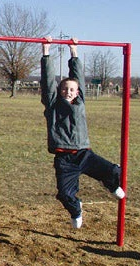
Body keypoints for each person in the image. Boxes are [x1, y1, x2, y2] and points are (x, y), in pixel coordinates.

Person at [41, 37, 125, 228]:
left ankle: (111, 185)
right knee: (64, 194)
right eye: (64, 89)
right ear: (59, 90)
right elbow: (47, 82)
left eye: (71, 89)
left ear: (77, 92)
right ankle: (76, 209)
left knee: (114, 170)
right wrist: (46, 52)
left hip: (84, 154)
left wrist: (74, 53)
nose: (68, 92)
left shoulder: (80, 102)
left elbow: (78, 77)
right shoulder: (53, 104)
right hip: (64, 159)